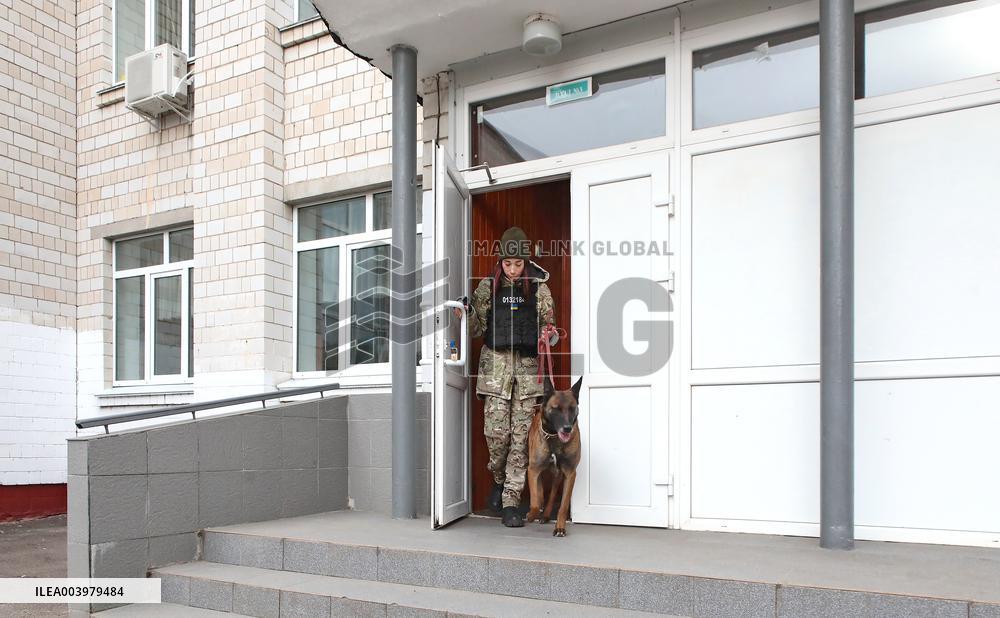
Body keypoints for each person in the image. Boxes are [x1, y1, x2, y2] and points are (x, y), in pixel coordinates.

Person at [454, 226, 558, 527]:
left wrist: (549, 335)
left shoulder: (540, 290)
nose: (512, 270)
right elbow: (475, 331)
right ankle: (499, 479)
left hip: (527, 377)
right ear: (500, 262)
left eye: (518, 264)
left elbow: (550, 332)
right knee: (497, 437)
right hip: (496, 374)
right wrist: (467, 314)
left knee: (521, 440)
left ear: (526, 262)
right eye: (507, 264)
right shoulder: (488, 288)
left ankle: (512, 500)